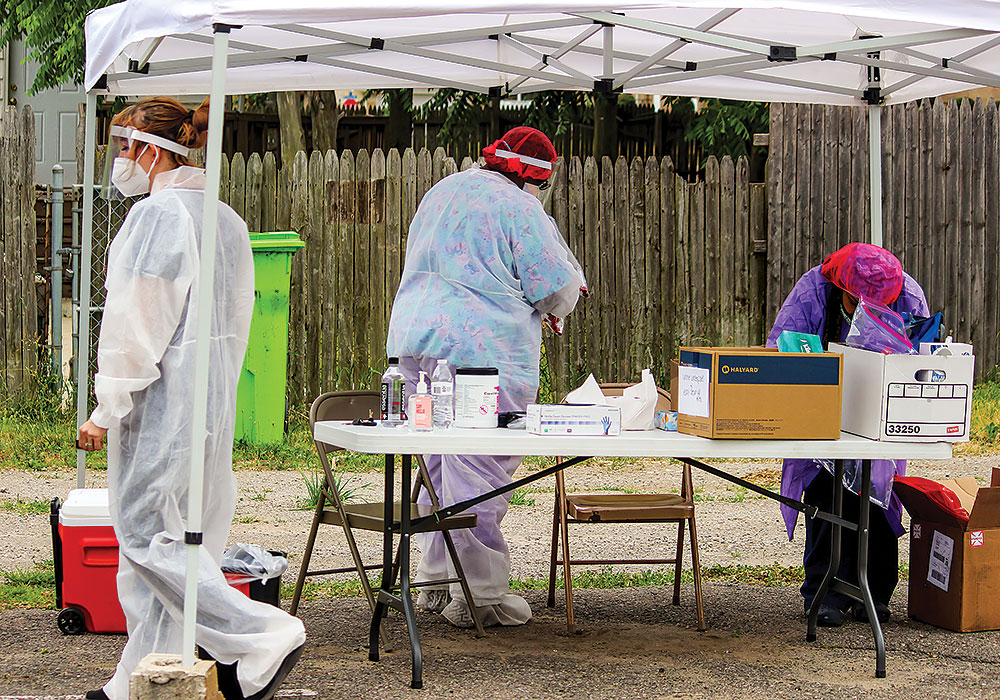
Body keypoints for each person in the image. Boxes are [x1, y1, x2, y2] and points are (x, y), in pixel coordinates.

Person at [76, 97, 305, 700]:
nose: (120, 160)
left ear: (151, 151)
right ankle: (136, 679)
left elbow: (138, 324)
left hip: (158, 405)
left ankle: (261, 633)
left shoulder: (159, 216)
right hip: (206, 408)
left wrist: (107, 407)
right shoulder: (223, 217)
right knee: (178, 544)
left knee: (149, 540)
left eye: (124, 148)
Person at [386, 127, 584, 628]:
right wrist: (562, 303)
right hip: (481, 349)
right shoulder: (520, 207)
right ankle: (479, 591)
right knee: (479, 466)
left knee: (437, 460)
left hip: (416, 344)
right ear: (534, 174)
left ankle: (433, 576)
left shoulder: (442, 190)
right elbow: (555, 285)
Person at [767, 242, 929, 628]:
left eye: (879, 305)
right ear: (840, 288)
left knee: (880, 494)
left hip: (882, 416)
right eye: (859, 305)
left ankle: (873, 593)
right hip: (823, 411)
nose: (868, 314)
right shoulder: (813, 291)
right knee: (826, 491)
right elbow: (780, 346)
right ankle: (824, 593)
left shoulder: (908, 295)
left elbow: (923, 355)